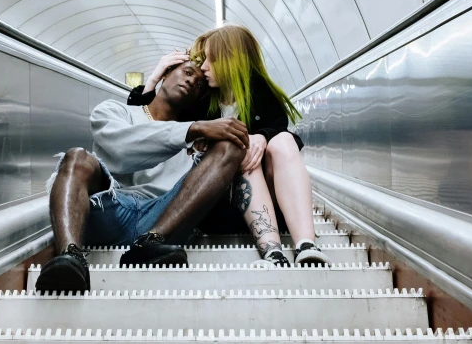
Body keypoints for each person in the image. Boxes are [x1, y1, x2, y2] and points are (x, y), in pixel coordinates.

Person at [35, 60, 249, 293]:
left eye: (199, 85)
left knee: (230, 146)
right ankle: (70, 257)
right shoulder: (114, 111)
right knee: (76, 157)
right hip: (112, 211)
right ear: (165, 75)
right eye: (187, 73)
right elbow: (122, 148)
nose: (191, 81)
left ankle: (150, 243)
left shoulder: (199, 138)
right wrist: (192, 129)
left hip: (162, 220)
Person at [129, 25, 330, 267]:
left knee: (283, 140)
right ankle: (273, 252)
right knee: (240, 148)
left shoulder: (262, 95)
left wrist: (263, 136)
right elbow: (154, 125)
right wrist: (153, 80)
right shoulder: (201, 100)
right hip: (217, 209)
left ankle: (306, 245)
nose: (203, 68)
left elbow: (285, 137)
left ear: (229, 60)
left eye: (211, 60)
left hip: (268, 206)